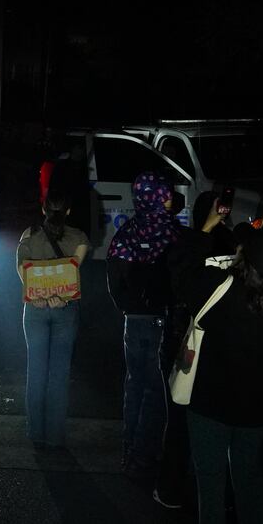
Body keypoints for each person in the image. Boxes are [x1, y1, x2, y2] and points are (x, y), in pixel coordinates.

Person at [167, 201, 263, 523]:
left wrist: (204, 230)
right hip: (258, 409)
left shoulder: (219, 288)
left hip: (209, 406)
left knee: (210, 483)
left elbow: (180, 270)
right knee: (250, 478)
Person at [106, 171, 179, 477]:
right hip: (161, 321)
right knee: (156, 390)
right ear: (159, 197)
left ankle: (129, 450)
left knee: (135, 384)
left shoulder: (125, 235)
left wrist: (128, 308)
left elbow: (114, 283)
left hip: (132, 322)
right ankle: (145, 455)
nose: (170, 199)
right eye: (167, 194)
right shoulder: (173, 235)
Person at [17, 188, 89, 448]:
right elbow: (71, 274)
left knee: (36, 371)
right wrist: (60, 297)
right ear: (68, 211)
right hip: (65, 309)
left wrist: (36, 296)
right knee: (59, 373)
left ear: (43, 210)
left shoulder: (29, 235)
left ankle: (36, 434)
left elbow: (22, 271)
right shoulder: (79, 238)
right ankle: (56, 436)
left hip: (34, 309)